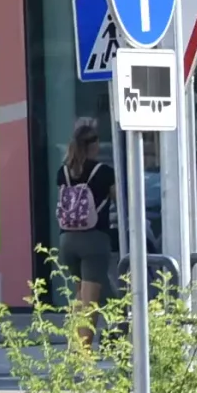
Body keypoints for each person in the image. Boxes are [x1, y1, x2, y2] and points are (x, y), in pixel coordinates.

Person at [52, 118, 118, 349]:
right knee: (89, 301)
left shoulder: (63, 172)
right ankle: (83, 352)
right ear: (94, 145)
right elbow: (119, 199)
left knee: (83, 295)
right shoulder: (103, 172)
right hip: (94, 239)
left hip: (67, 239)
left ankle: (115, 332)